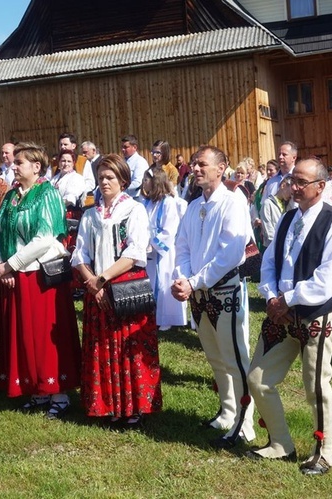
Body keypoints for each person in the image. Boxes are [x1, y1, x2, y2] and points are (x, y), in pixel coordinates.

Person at [248, 158, 332, 475]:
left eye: (301, 182)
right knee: (257, 378)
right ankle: (280, 442)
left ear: (320, 186)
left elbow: (329, 278)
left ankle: (324, 452)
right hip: (281, 313)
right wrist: (270, 296)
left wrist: (288, 299)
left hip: (315, 314)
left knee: (315, 385)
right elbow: (270, 261)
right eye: (292, 180)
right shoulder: (287, 218)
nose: (293, 187)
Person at [0, 142, 81, 419]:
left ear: (36, 166)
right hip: (12, 274)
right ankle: (35, 387)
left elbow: (45, 238)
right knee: (23, 333)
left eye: (19, 162)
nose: (13, 166)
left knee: (45, 335)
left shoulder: (47, 193)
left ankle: (58, 391)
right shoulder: (10, 196)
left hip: (40, 275)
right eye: (13, 162)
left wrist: (11, 266)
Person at [172, 145, 256, 448]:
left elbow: (231, 253)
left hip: (224, 292)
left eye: (202, 164)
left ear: (221, 168)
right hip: (198, 294)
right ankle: (227, 411)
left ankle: (245, 422)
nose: (195, 169)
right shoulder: (193, 206)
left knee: (234, 358)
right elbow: (181, 246)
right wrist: (183, 279)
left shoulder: (232, 202)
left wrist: (193, 281)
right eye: (194, 164)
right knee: (215, 358)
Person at [73, 154, 162, 428]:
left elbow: (135, 251)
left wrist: (102, 279)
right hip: (97, 287)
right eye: (100, 178)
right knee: (102, 346)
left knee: (128, 346)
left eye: (110, 177)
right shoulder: (90, 214)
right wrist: (92, 282)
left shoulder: (134, 210)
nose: (104, 182)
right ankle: (108, 404)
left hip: (125, 286)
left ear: (123, 180)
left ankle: (133, 406)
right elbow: (79, 254)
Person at [141, 168, 187, 330]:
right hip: (148, 251)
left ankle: (166, 318)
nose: (143, 183)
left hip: (162, 252)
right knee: (150, 281)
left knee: (163, 282)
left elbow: (169, 230)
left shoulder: (168, 202)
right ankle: (151, 315)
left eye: (146, 180)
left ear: (155, 182)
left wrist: (152, 241)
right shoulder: (146, 202)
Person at [259, 176, 292, 251]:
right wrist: (278, 244)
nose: (291, 195)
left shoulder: (287, 205)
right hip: (271, 247)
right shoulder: (268, 204)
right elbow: (268, 229)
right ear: (283, 186)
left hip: (283, 246)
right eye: (290, 192)